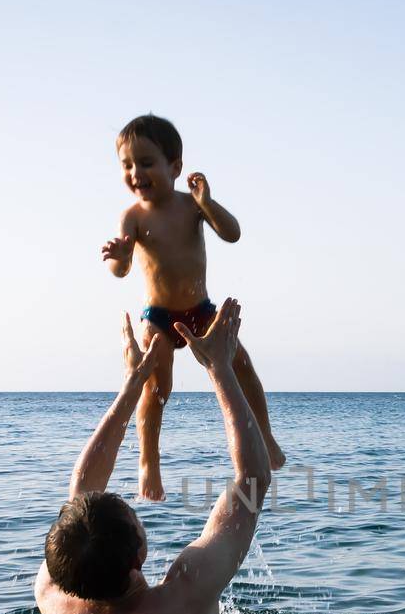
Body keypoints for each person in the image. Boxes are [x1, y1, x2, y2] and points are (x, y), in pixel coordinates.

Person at [36, 300, 270, 614]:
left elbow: (80, 498)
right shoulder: (185, 596)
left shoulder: (57, 603)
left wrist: (133, 385)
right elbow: (253, 480)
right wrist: (219, 368)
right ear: (139, 554)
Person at [100, 113, 284, 501]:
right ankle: (149, 461)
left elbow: (232, 234)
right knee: (156, 387)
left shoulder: (191, 207)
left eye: (146, 163)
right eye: (127, 165)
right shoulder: (131, 217)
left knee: (242, 367)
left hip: (200, 310)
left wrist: (207, 202)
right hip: (159, 317)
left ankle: (265, 438)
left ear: (175, 167)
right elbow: (121, 270)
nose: (136, 173)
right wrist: (119, 254)